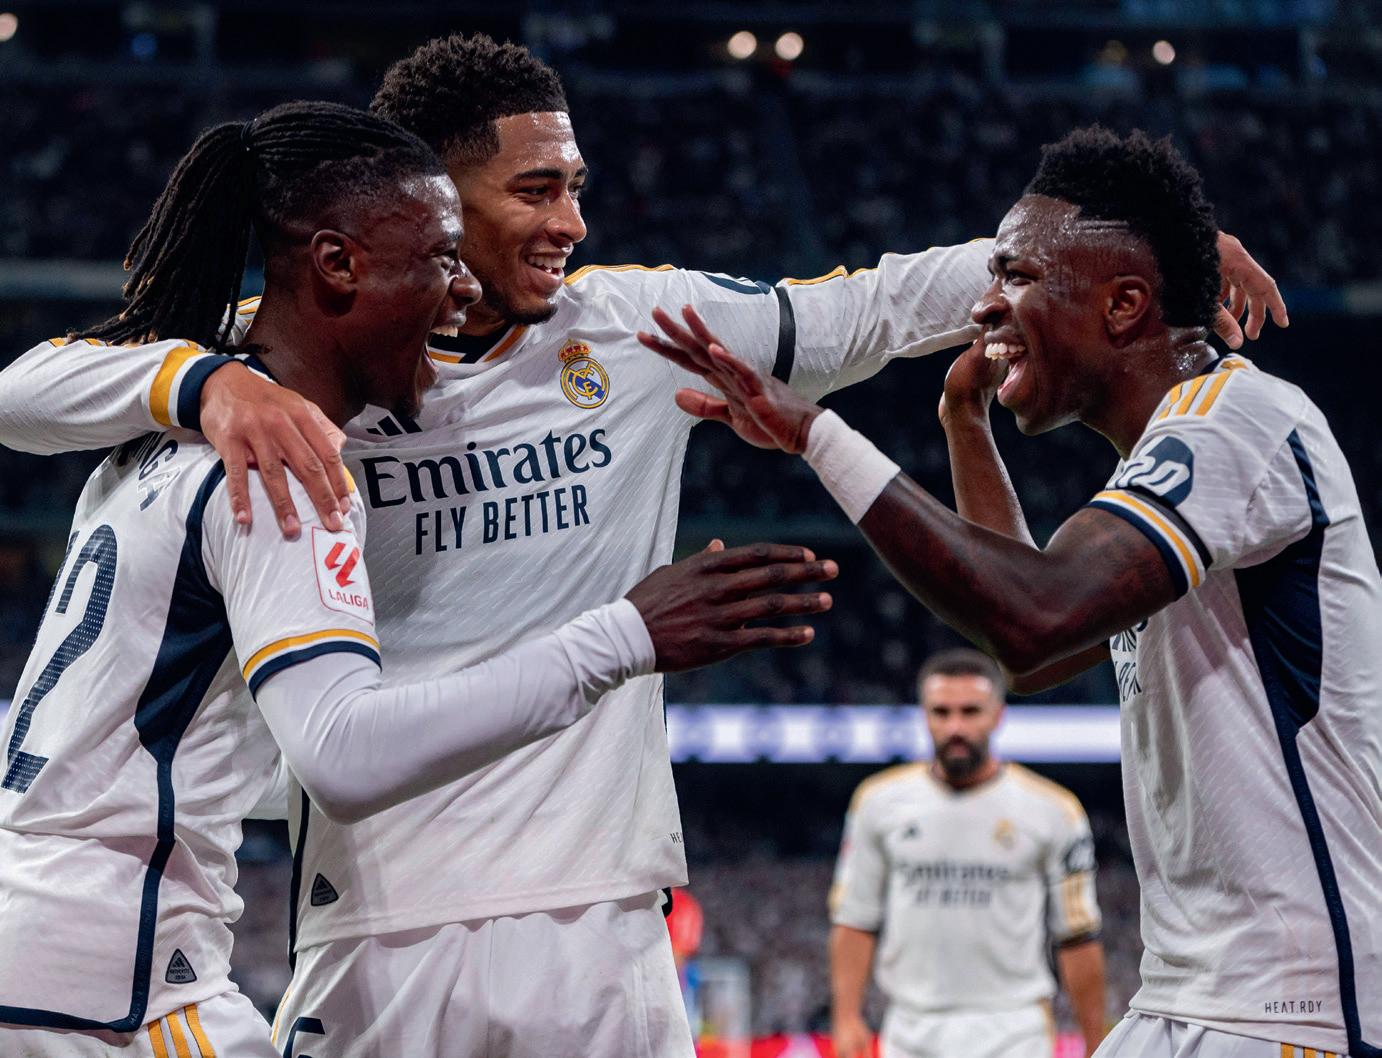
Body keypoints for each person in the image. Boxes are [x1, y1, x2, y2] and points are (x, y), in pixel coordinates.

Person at [0, 34, 1286, 1056]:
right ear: (425, 199)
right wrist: (201, 381)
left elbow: (874, 306)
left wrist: (1119, 262)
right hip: (379, 925)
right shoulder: (300, 372)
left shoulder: (630, 325)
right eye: (536, 188)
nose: (571, 220)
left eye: (577, 185)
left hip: (601, 923)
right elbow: (26, 389)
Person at [0, 100, 834, 1056]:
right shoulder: (287, 468)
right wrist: (626, 636)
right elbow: (343, 753)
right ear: (337, 264)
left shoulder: (158, 423)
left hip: (47, 934)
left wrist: (204, 382)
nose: (463, 293)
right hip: (112, 980)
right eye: (441, 258)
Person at [641, 127, 1381, 1058]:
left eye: (1016, 276)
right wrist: (964, 422)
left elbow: (1038, 615)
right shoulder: (1171, 457)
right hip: (1195, 992)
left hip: (1289, 1008)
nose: (984, 305)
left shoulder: (1237, 422)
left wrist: (816, 434)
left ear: (1124, 305)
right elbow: (1037, 656)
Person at [829, 649, 1105, 1058]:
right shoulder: (877, 802)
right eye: (941, 712)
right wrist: (846, 1017)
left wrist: (1096, 1042)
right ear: (924, 716)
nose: (955, 727)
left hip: (1014, 1030)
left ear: (998, 715)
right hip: (910, 1030)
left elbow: (1077, 935)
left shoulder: (1053, 810)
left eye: (970, 711)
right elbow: (855, 918)